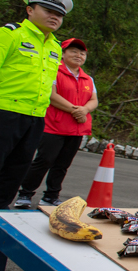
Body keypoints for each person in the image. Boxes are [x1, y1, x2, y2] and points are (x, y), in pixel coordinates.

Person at [0, 0, 73, 231]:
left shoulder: (55, 47)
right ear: (30, 10)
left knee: (18, 167)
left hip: (35, 115)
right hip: (3, 110)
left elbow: (46, 82)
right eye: (48, 11)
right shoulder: (9, 34)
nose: (55, 17)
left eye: (59, 15)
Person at [13, 38, 97, 208]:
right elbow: (51, 96)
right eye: (73, 51)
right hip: (53, 126)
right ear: (63, 53)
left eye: (82, 53)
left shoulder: (87, 78)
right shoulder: (53, 71)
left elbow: (94, 99)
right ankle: (25, 194)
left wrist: (85, 110)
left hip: (76, 129)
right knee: (44, 160)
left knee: (62, 165)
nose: (78, 55)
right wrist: (76, 110)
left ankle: (51, 196)